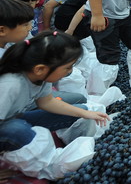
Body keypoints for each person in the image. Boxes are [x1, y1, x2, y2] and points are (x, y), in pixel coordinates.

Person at [0, 31, 108, 180]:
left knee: (78, 111)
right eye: (67, 68)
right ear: (40, 68)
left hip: (13, 119)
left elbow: (47, 102)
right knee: (17, 129)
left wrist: (85, 113)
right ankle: (43, 163)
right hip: (7, 128)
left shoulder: (42, 78)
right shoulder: (10, 85)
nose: (69, 72)